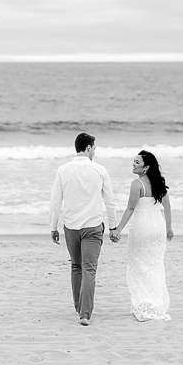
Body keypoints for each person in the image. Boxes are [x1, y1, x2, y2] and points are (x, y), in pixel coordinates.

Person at [49, 133, 119, 326]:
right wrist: (113, 226)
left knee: (76, 266)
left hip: (71, 227)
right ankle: (85, 314)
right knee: (89, 269)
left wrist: (53, 226)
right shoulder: (100, 170)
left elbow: (55, 202)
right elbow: (110, 201)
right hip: (93, 226)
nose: (95, 151)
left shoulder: (63, 170)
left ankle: (79, 307)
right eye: (94, 148)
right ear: (88, 148)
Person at [113, 150, 173, 321]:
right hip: (158, 228)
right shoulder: (159, 183)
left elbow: (130, 208)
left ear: (146, 167)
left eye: (137, 162)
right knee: (155, 266)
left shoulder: (137, 184)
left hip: (142, 228)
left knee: (139, 265)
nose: (133, 164)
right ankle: (155, 304)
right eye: (134, 161)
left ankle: (144, 304)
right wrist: (169, 227)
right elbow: (167, 206)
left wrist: (118, 229)